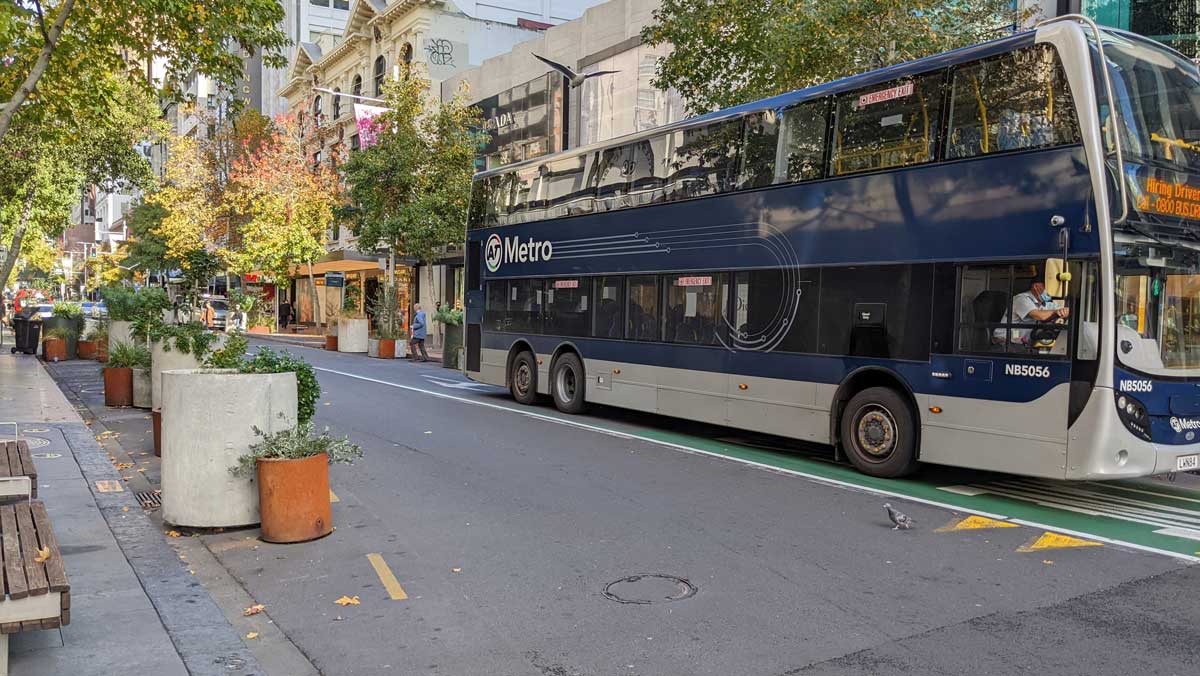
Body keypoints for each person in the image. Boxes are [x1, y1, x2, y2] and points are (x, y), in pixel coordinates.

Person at [994, 277, 1069, 348]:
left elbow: (1063, 311)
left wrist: (1065, 312)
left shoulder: (1047, 303)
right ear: (1036, 286)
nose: (1050, 291)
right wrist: (1056, 312)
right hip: (1004, 343)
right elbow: (1039, 316)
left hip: (1021, 344)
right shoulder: (1021, 299)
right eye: (1048, 287)